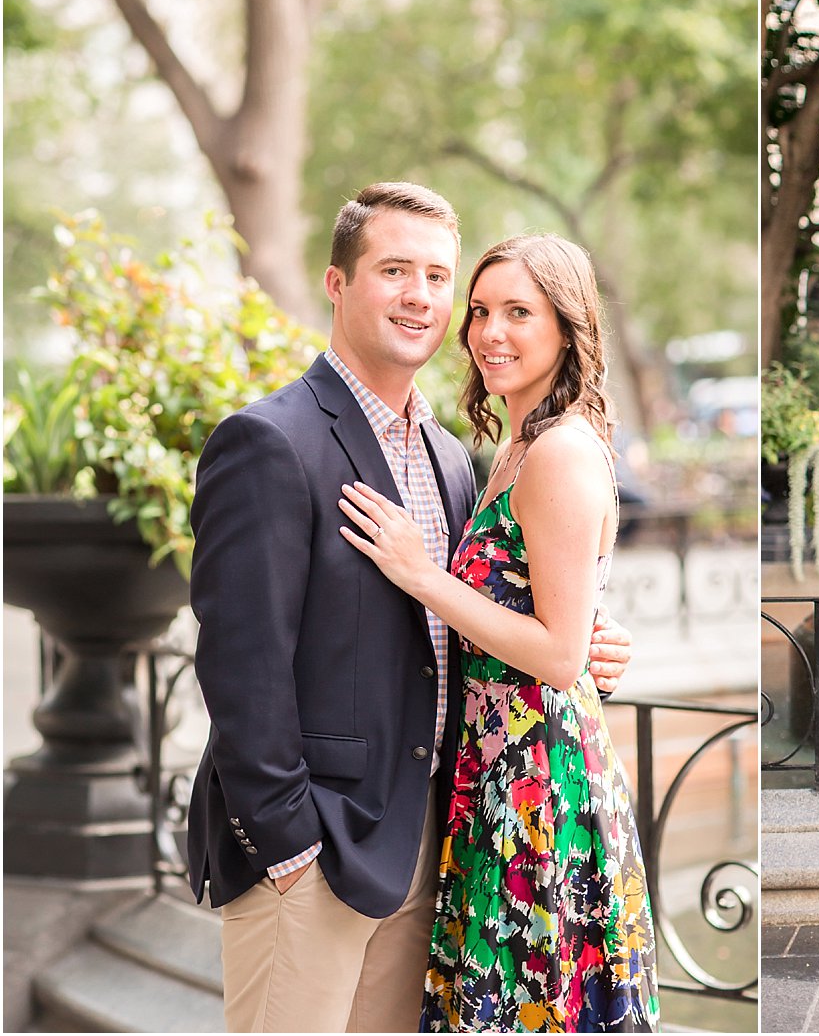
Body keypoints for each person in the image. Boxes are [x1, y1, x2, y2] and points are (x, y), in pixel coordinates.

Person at [187, 183, 633, 1033]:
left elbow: (482, 616)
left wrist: (589, 643)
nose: (421, 296)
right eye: (395, 269)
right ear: (337, 284)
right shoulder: (269, 441)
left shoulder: (453, 458)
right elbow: (240, 668)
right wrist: (290, 846)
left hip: (437, 844)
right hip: (312, 855)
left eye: (437, 275)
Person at [339, 232, 659, 1031]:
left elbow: (554, 654)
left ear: (567, 327)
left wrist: (424, 575)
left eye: (520, 311)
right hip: (495, 773)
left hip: (539, 784)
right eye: (481, 311)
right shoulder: (514, 447)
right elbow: (558, 614)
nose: (491, 332)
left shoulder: (558, 452)